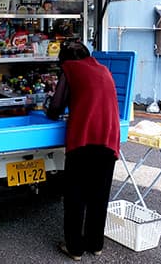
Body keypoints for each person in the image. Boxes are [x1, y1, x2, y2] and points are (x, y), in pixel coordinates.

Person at [46, 40, 120, 261]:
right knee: (99, 196)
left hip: (84, 140)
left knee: (75, 197)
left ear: (65, 60)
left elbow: (56, 108)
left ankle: (75, 249)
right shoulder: (103, 69)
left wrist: (47, 104)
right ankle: (96, 244)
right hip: (109, 141)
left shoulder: (70, 69)